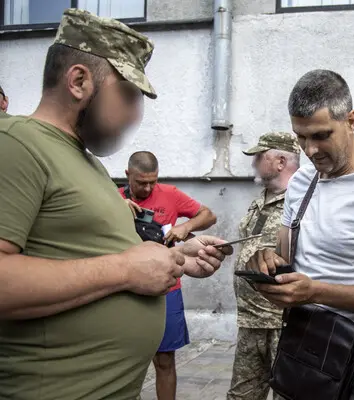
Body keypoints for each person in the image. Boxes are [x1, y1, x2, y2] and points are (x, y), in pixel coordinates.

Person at [0, 9, 232, 400]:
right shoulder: (17, 144)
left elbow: (90, 250)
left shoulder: (86, 161)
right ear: (78, 81)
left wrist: (178, 256)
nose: (135, 115)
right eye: (127, 95)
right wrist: (125, 270)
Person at [246, 69, 354, 400]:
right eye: (301, 138)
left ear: (352, 120)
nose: (310, 150)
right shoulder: (301, 182)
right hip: (302, 346)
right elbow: (286, 255)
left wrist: (314, 292)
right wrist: (268, 262)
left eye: (321, 135)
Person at [119, 150, 217, 400]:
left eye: (153, 181)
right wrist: (114, 204)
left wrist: (186, 226)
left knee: (164, 361)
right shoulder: (113, 198)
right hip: (124, 292)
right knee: (124, 361)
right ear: (127, 175)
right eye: (141, 182)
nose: (148, 187)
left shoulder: (170, 194)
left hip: (167, 291)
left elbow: (208, 215)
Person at [227, 132, 301, 400]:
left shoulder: (303, 202)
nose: (253, 163)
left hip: (283, 324)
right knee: (241, 396)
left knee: (288, 394)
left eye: (260, 156)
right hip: (251, 321)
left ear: (281, 161)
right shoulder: (261, 200)